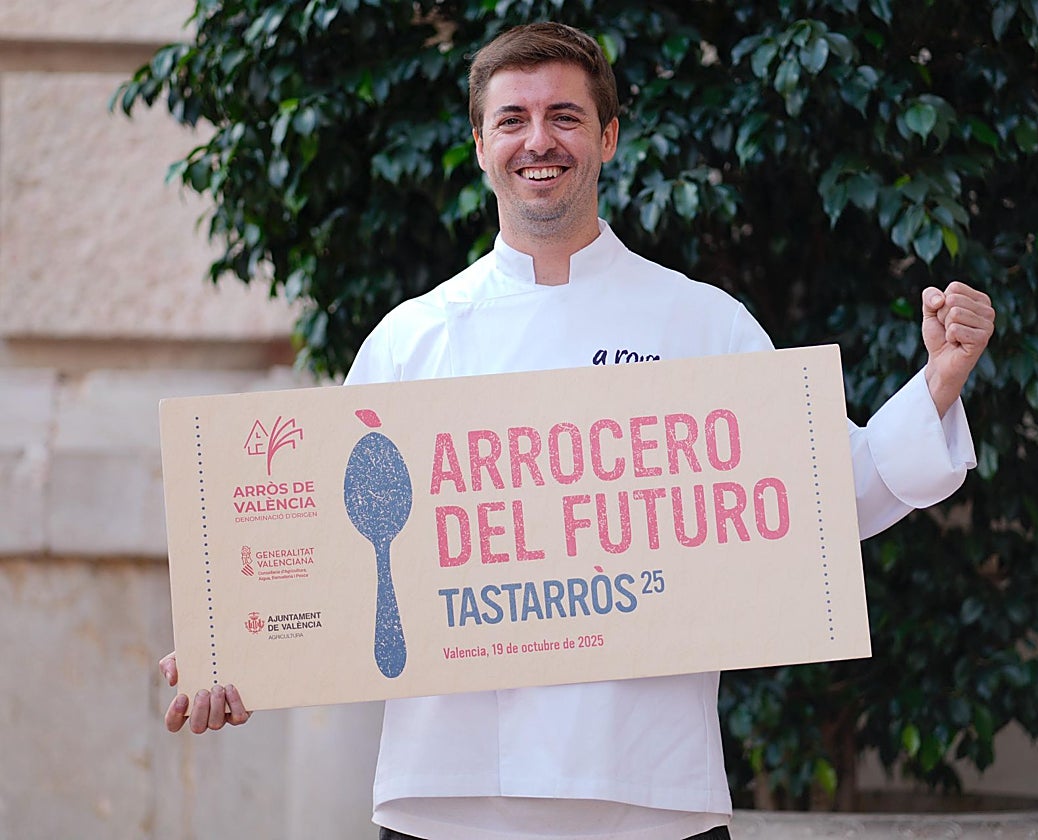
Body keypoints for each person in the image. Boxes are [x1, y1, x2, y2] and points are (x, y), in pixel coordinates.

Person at [160, 21, 995, 840]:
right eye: (513, 120)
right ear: (481, 144)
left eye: (564, 117)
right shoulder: (412, 338)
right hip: (449, 799)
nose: (539, 141)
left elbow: (824, 500)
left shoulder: (702, 323)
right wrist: (230, 647)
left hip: (650, 791)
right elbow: (339, 550)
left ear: (608, 137)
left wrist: (940, 380)